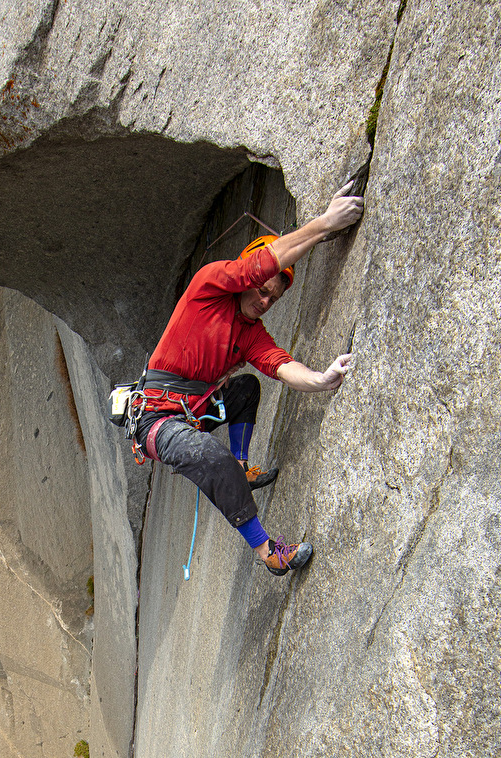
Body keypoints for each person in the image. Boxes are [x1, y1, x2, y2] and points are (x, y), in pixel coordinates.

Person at [133, 181, 364, 575]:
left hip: (191, 412)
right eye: (261, 291)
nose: (264, 301)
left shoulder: (250, 333)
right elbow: (263, 262)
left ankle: (242, 467)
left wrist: (321, 380)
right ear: (244, 281)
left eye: (273, 299)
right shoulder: (209, 287)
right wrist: (324, 224)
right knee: (210, 457)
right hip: (155, 421)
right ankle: (268, 552)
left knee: (245, 389)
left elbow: (281, 364)